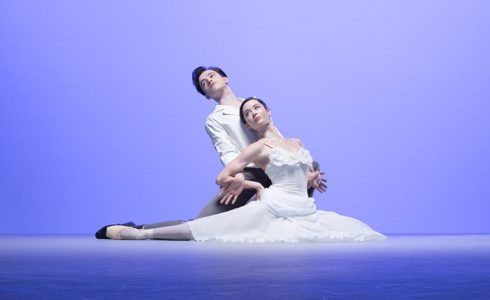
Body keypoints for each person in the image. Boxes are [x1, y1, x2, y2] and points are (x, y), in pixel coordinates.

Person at [103, 98, 385, 242]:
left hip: (304, 210)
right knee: (205, 227)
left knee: (353, 232)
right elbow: (221, 176)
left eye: (257, 108)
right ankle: (139, 234)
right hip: (273, 206)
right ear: (248, 126)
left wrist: (310, 178)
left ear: (269, 110)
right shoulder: (257, 148)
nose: (253, 113)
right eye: (248, 114)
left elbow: (300, 170)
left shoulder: (295, 141)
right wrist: (255, 186)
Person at [95, 67, 325, 238]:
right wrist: (240, 178)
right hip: (249, 172)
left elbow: (277, 139)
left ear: (226, 78)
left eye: (211, 76)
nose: (208, 81)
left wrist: (304, 171)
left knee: (310, 162)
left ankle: (295, 220)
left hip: (275, 169)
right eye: (204, 84)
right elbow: (227, 152)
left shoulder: (252, 103)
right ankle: (138, 230)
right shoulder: (214, 120)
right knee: (204, 224)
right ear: (206, 95)